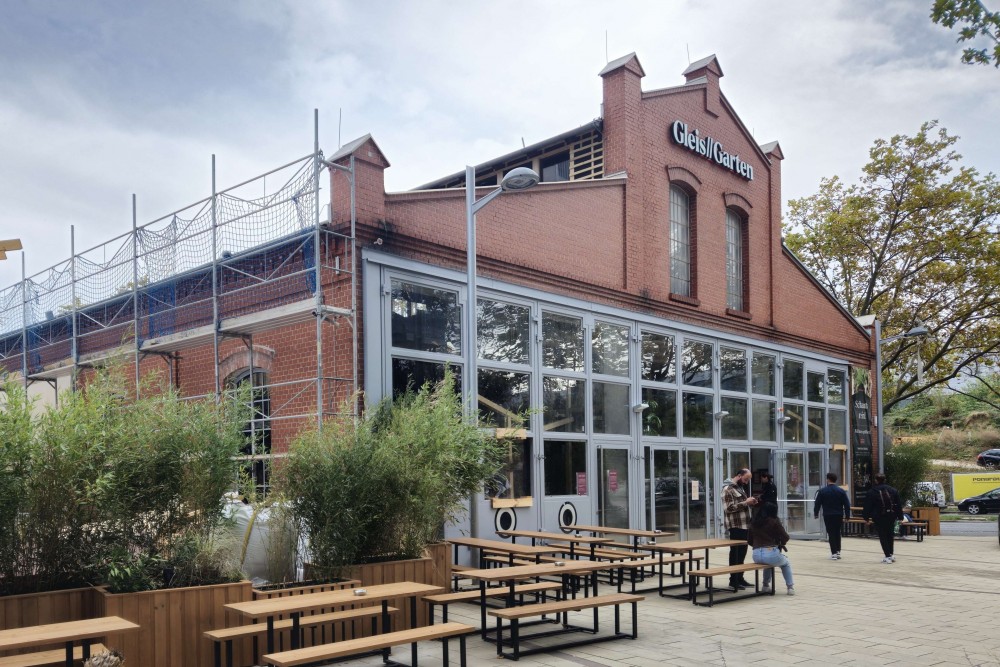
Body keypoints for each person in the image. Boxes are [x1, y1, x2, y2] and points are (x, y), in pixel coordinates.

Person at [748, 501, 795, 595]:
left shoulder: (754, 522)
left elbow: (749, 540)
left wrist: (757, 546)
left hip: (756, 554)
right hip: (770, 552)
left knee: (768, 563)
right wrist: (781, 543)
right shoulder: (774, 521)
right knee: (785, 563)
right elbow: (785, 537)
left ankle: (765, 586)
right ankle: (790, 587)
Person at [722, 468, 758, 589]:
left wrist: (751, 503)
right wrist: (746, 503)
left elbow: (741, 504)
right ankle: (733, 580)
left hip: (745, 525)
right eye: (745, 479)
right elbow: (728, 508)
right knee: (735, 553)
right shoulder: (728, 489)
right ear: (738, 476)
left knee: (742, 552)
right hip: (736, 526)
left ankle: (740, 578)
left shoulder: (739, 488)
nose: (746, 482)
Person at [863, 473, 904, 563]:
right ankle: (891, 554)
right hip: (891, 516)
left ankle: (887, 556)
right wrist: (900, 517)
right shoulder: (893, 490)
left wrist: (866, 518)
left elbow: (867, 506)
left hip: (879, 517)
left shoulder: (872, 492)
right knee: (890, 535)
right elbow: (898, 505)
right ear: (885, 479)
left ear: (876, 480)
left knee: (883, 536)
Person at [813, 472, 852, 560]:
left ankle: (833, 552)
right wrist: (847, 516)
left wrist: (816, 513)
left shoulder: (822, 491)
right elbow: (846, 504)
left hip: (828, 515)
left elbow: (817, 503)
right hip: (838, 514)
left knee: (831, 533)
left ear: (828, 480)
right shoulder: (841, 491)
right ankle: (838, 551)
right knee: (837, 532)